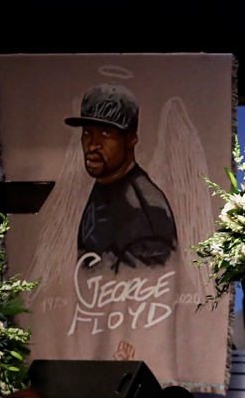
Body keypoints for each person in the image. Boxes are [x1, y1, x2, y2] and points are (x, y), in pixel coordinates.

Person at [65, 83, 178, 271]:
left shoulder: (144, 210)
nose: (93, 145)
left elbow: (150, 293)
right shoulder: (107, 183)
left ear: (131, 139)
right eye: (87, 132)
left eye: (105, 133)